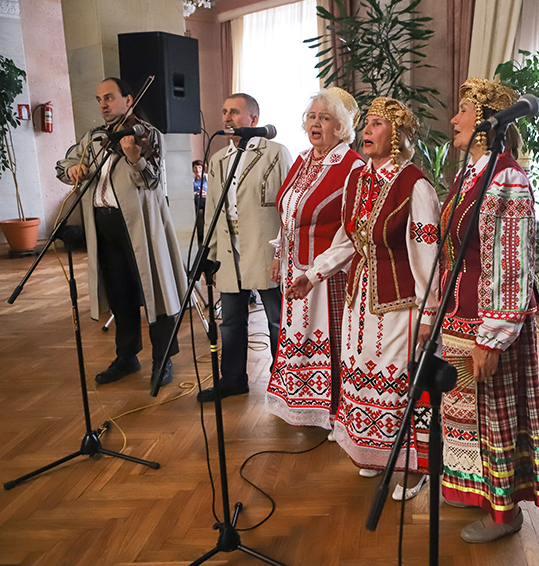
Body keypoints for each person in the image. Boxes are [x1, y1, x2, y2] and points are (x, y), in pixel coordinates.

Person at [287, 97, 439, 501]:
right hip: (359, 299)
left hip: (401, 304)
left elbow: (427, 253)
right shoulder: (358, 179)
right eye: (366, 123)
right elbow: (346, 242)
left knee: (398, 384)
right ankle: (375, 456)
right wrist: (311, 275)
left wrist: (429, 312)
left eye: (375, 125)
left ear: (397, 136)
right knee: (360, 376)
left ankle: (412, 467)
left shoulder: (414, 185)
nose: (366, 131)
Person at [438, 77, 539, 543]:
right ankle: (472, 489)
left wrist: (493, 337)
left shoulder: (506, 177)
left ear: (487, 120)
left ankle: (506, 513)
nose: (454, 119)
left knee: (493, 420)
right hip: (461, 318)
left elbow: (510, 263)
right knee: (468, 418)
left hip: (487, 323)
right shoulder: (472, 175)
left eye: (464, 109)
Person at [56, 77, 186, 389]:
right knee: (119, 295)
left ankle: (163, 358)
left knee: (154, 292)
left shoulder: (147, 134)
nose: (103, 104)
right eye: (99, 99)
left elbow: (152, 181)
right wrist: (72, 170)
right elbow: (64, 166)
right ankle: (127, 356)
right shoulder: (94, 136)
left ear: (128, 99)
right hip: (103, 226)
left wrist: (134, 158)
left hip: (141, 229)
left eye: (110, 97)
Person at [266, 88, 364, 431]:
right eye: (312, 116)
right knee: (298, 336)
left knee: (331, 341)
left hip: (329, 273)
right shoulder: (304, 158)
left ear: (343, 127)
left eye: (325, 117)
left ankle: (336, 413)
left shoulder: (353, 166)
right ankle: (303, 403)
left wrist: (320, 268)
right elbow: (288, 210)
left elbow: (351, 228)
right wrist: (280, 253)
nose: (315, 123)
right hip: (295, 266)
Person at [198, 93, 292, 402]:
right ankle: (233, 379)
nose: (227, 117)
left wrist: (283, 252)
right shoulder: (218, 160)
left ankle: (285, 384)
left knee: (276, 319)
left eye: (235, 112)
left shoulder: (275, 153)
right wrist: (209, 255)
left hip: (265, 250)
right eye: (224, 111)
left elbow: (289, 208)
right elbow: (212, 210)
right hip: (229, 250)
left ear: (253, 118)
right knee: (232, 320)